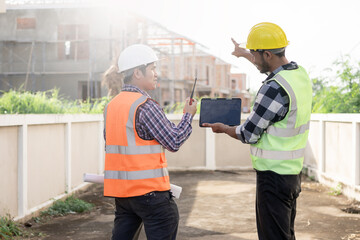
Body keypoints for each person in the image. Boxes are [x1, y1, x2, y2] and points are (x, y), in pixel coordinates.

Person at [203, 22, 312, 240]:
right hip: (292, 176)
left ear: (268, 54)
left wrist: (224, 128)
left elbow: (248, 133)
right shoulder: (300, 75)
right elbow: (266, 62)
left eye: (255, 54)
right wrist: (244, 53)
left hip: (273, 180)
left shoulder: (273, 88)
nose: (253, 58)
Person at [103, 44, 197, 240]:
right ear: (137, 72)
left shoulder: (111, 106)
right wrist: (188, 116)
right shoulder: (144, 105)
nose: (156, 74)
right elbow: (174, 140)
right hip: (150, 195)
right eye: (152, 68)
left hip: (123, 195)